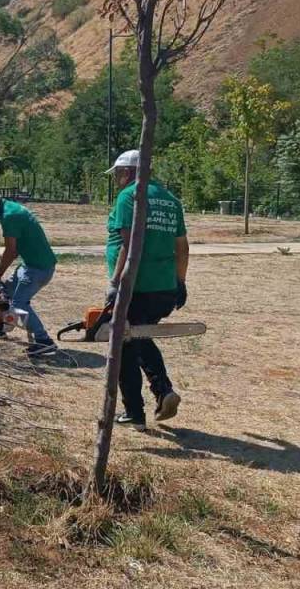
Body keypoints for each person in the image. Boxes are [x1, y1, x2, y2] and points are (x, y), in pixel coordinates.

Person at [105, 150, 190, 430]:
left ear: (128, 172)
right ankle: (161, 393)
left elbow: (129, 246)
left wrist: (115, 284)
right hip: (164, 286)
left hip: (137, 286)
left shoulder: (130, 196)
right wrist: (180, 281)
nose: (117, 180)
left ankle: (138, 411)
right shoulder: (170, 199)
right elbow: (182, 246)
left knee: (126, 344)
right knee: (138, 337)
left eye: (118, 173)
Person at [0, 183, 59, 357]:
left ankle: (44, 341)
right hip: (29, 264)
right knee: (6, 292)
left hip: (38, 268)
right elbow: (15, 249)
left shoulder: (10, 215)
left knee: (19, 304)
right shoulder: (8, 209)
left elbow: (11, 251)